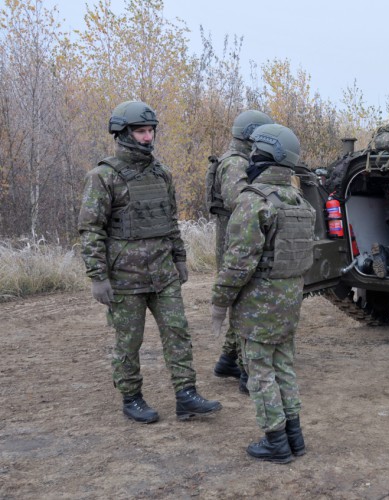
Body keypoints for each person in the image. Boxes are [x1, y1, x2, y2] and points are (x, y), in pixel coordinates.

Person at [79, 100, 222, 424]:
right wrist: (97, 276)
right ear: (124, 133)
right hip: (125, 277)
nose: (147, 137)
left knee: (178, 331)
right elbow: (90, 229)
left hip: (163, 272)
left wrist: (180, 258)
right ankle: (132, 398)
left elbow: (170, 220)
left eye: (150, 131)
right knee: (129, 341)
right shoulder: (103, 176)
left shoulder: (162, 174)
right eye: (141, 131)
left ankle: (186, 396)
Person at [210, 123, 315, 463]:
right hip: (289, 302)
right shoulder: (300, 203)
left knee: (260, 373)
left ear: (265, 157)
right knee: (284, 367)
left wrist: (219, 302)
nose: (250, 156)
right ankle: (294, 438)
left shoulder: (254, 203)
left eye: (255, 152)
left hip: (258, 305)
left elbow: (238, 263)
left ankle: (275, 442)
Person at [206, 109, 274, 394]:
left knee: (243, 299)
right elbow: (238, 201)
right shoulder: (235, 163)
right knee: (247, 303)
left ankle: (228, 360)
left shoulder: (242, 160)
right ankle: (248, 372)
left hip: (239, 236)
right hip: (236, 240)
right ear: (252, 135)